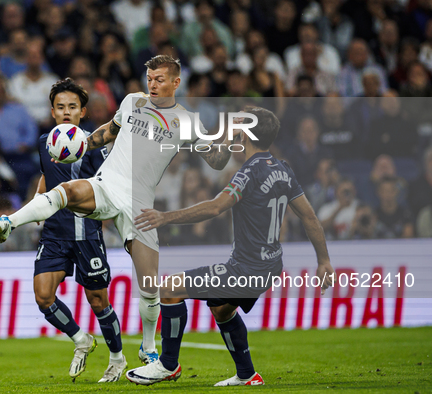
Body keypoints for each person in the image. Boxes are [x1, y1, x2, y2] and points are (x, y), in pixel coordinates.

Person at [0, 55, 231, 365]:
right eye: (150, 78)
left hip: (139, 201)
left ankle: (147, 346)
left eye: (160, 79)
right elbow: (108, 132)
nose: (153, 84)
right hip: (107, 183)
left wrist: (226, 141)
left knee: (150, 286)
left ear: (176, 83)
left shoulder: (187, 122)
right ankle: (9, 222)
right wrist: (81, 144)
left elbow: (216, 160)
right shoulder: (133, 102)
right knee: (66, 191)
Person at [125, 107, 335, 386]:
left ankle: (167, 365)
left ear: (244, 134)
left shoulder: (247, 173)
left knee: (169, 289)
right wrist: (324, 261)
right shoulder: (283, 169)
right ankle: (247, 375)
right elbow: (309, 216)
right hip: (271, 264)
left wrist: (165, 217)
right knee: (222, 309)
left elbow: (215, 208)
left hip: (248, 268)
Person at [16, 78, 127, 381]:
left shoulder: (94, 145)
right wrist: (38, 204)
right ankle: (81, 339)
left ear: (82, 112)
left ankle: (117, 358)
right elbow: (46, 176)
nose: (66, 112)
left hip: (87, 233)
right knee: (43, 297)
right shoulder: (45, 143)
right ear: (52, 112)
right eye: (61, 107)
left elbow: (108, 186)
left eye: (72, 107)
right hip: (53, 233)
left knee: (98, 301)